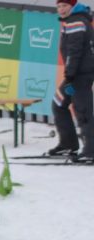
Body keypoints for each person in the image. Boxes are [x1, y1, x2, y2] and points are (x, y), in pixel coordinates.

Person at [49, 0, 94, 162]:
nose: (61, 9)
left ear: (73, 7)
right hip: (76, 74)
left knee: (83, 111)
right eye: (59, 6)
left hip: (79, 75)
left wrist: (69, 75)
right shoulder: (73, 20)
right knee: (58, 103)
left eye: (65, 6)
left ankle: (90, 151)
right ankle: (68, 144)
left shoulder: (75, 21)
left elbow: (75, 51)